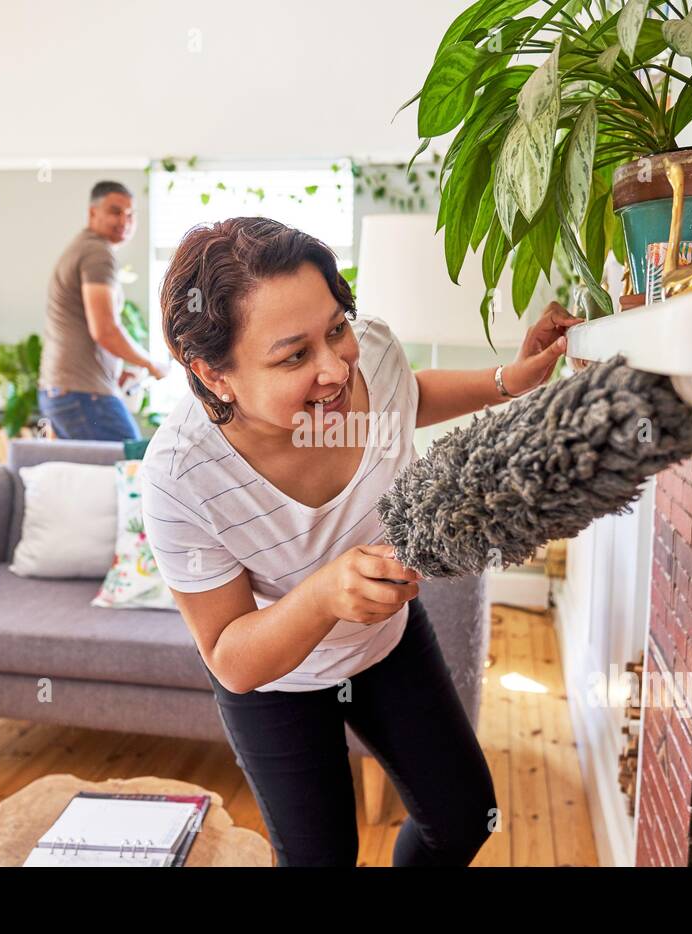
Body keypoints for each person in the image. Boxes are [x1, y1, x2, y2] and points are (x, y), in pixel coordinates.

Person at [139, 217, 583, 867]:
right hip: (278, 686)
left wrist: (508, 382)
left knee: (465, 819)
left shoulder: (369, 351)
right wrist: (324, 594)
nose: (335, 368)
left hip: (387, 643)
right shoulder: (182, 478)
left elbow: (405, 393)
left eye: (336, 328)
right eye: (294, 355)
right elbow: (230, 655)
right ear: (214, 374)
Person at [38, 180, 169, 441]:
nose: (125, 221)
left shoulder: (83, 247)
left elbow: (85, 327)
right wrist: (150, 363)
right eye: (115, 211)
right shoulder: (97, 253)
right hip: (83, 393)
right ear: (92, 213)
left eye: (131, 215)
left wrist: (118, 373)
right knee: (130, 467)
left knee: (92, 477)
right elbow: (105, 330)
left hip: (63, 391)